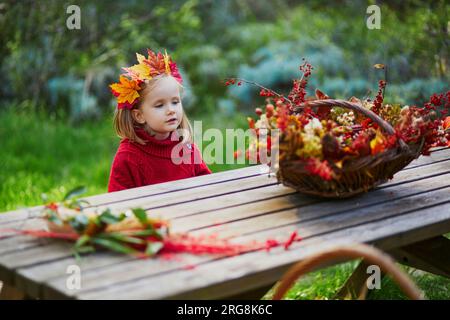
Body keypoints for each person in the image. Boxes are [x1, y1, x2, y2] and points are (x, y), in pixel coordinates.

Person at [107, 49, 211, 192]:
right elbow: (117, 203)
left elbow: (208, 187)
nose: (171, 110)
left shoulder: (186, 148)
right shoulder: (128, 157)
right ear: (139, 115)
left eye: (175, 102)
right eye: (160, 105)